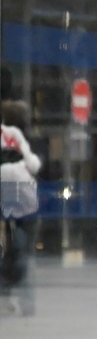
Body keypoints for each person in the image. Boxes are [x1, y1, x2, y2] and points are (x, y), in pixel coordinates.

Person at [1, 103, 40, 316]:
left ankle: (12, 293)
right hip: (25, 197)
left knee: (15, 247)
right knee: (22, 249)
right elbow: (34, 166)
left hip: (13, 197)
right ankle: (24, 301)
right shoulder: (20, 137)